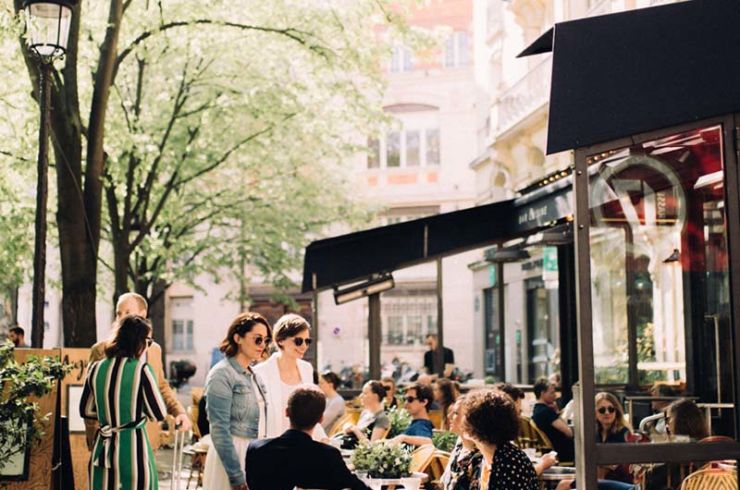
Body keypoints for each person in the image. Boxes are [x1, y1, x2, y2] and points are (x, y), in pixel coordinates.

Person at [85, 292, 190, 450]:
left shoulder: (153, 349)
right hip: (110, 440)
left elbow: (161, 386)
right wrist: (94, 438)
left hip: (147, 436)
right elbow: (92, 399)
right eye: (118, 313)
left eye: (127, 312)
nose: (121, 318)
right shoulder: (100, 350)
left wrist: (179, 412)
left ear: (142, 314)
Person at [79, 315, 166, 489]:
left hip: (102, 450)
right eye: (148, 341)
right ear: (138, 341)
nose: (148, 347)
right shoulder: (141, 369)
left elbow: (86, 410)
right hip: (133, 449)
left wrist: (109, 414)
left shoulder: (96, 368)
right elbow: (158, 413)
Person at [246, 387, 371, 490]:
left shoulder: (257, 449)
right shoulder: (328, 455)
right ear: (321, 419)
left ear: (287, 412)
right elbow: (356, 486)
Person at [202, 312, 271, 490]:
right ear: (238, 338)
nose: (262, 345)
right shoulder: (221, 374)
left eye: (266, 340)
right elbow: (219, 430)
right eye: (257, 339)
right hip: (230, 458)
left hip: (253, 456)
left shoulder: (256, 376)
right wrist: (236, 476)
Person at [254, 313, 326, 439]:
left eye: (307, 341)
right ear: (281, 340)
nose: (304, 346)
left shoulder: (306, 369)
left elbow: (311, 411)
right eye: (298, 341)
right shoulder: (260, 373)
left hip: (302, 446)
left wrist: (322, 438)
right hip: (272, 445)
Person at [463, 390, 539, 490]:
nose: (463, 421)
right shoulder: (482, 458)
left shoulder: (511, 463)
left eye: (467, 417)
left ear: (480, 424)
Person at [441, 395, 483, 490]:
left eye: (455, 413)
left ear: (469, 420)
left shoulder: (479, 457)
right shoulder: (459, 446)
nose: (449, 416)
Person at [531, 378, 574, 463]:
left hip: (550, 452)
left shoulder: (537, 410)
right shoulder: (547, 412)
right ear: (542, 393)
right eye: (552, 392)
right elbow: (569, 432)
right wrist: (557, 413)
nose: (555, 395)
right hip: (563, 454)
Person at [595, 392, 632, 483]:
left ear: (616, 411)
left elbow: (612, 465)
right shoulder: (594, 432)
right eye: (602, 410)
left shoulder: (623, 432)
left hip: (618, 480)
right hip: (597, 479)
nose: (607, 413)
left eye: (611, 409)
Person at [340, 380, 390, 447]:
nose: (360, 396)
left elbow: (372, 447)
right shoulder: (365, 413)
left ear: (375, 396)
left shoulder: (382, 418)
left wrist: (355, 430)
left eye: (365, 393)